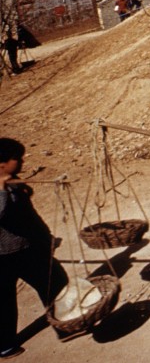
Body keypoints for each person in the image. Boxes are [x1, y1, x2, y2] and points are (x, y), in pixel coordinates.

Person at [1, 138, 70, 358]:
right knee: (4, 300)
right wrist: (1, 189)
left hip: (28, 246)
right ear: (1, 163)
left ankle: (65, 325)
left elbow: (30, 216)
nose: (21, 162)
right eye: (16, 159)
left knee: (54, 281)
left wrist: (46, 236)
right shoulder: (3, 187)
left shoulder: (15, 183)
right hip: (7, 254)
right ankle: (5, 345)